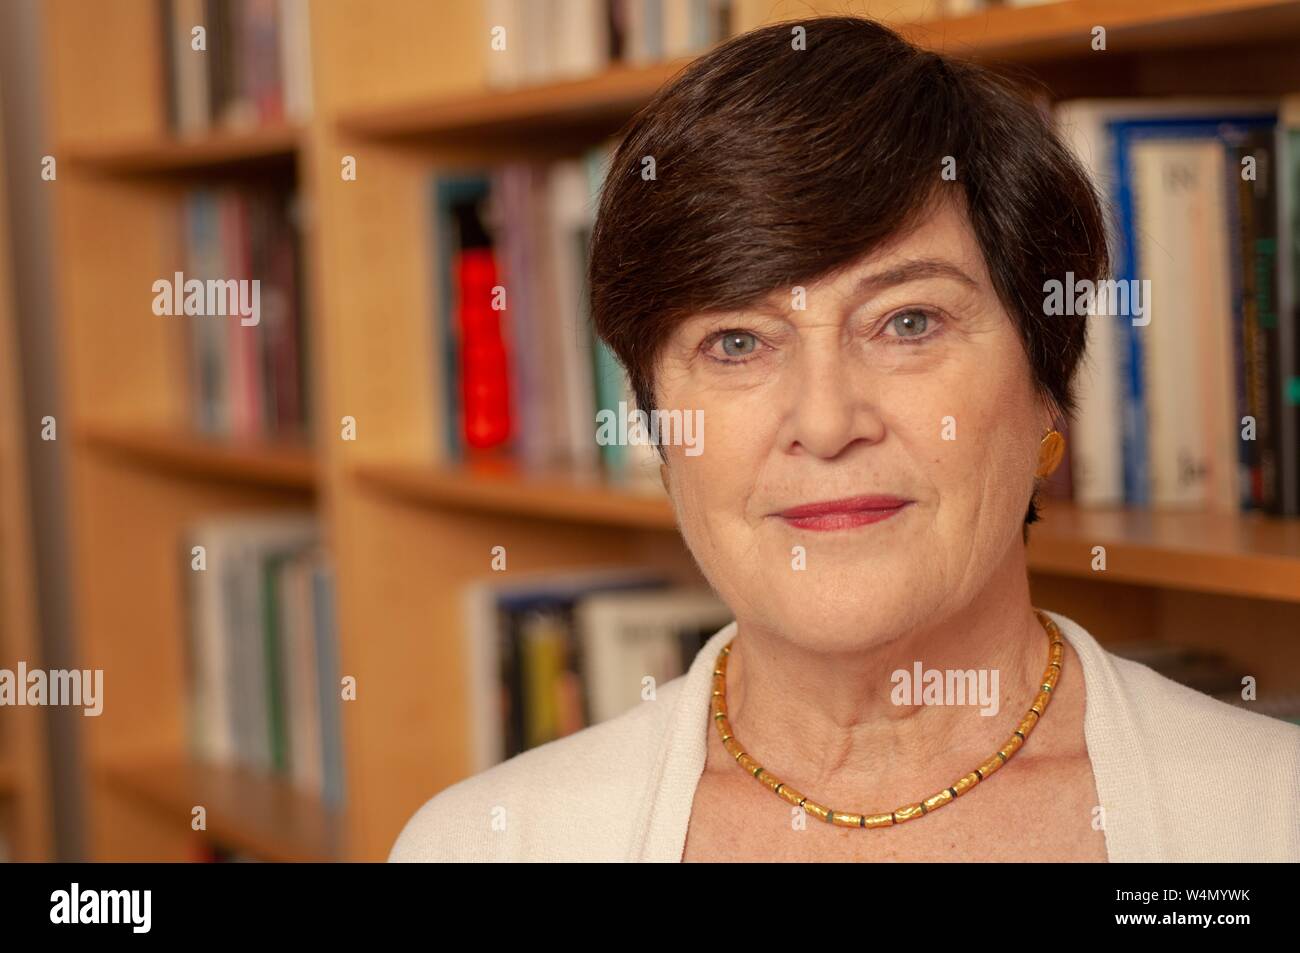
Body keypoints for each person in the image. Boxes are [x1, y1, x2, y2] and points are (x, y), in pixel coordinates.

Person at [389, 15, 1300, 862]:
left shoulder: (1268, 817)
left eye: (908, 323)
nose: (825, 425)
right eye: (736, 343)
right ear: (662, 432)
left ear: (1047, 394)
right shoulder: (486, 844)